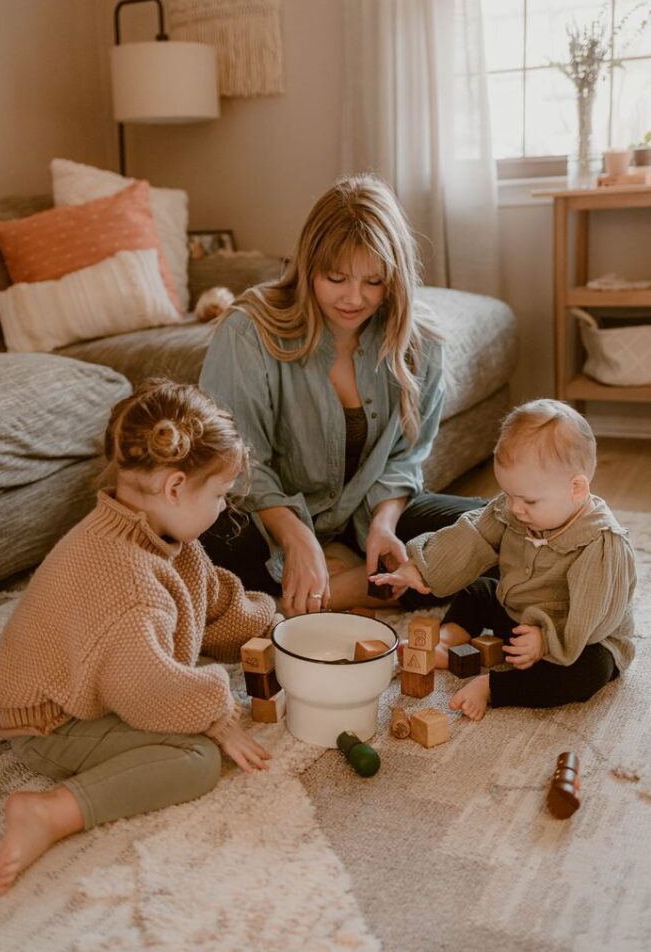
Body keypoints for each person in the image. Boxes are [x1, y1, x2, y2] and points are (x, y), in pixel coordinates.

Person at [0, 379, 276, 897]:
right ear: (175, 486)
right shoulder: (127, 579)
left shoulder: (161, 534)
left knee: (191, 721)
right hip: (50, 721)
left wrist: (274, 628)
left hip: (104, 678)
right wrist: (218, 717)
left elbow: (211, 602)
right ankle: (50, 812)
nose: (225, 508)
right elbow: (146, 689)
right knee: (196, 758)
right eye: (220, 495)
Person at [199, 174, 485, 616]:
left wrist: (384, 528)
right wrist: (298, 540)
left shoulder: (420, 342)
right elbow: (239, 465)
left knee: (498, 530)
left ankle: (297, 600)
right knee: (199, 533)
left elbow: (405, 461)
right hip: (268, 522)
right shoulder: (247, 332)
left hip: (366, 514)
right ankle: (361, 585)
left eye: (374, 282)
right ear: (308, 266)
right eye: (336, 278)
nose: (355, 298)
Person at [370, 399, 636, 720]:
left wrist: (546, 641)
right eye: (508, 494)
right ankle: (450, 637)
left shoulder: (600, 543)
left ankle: (495, 687)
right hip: (520, 613)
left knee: (588, 672)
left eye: (527, 500)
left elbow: (592, 615)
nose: (514, 508)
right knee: (480, 590)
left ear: (576, 488)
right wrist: (419, 568)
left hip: (577, 636)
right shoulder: (514, 510)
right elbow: (470, 536)